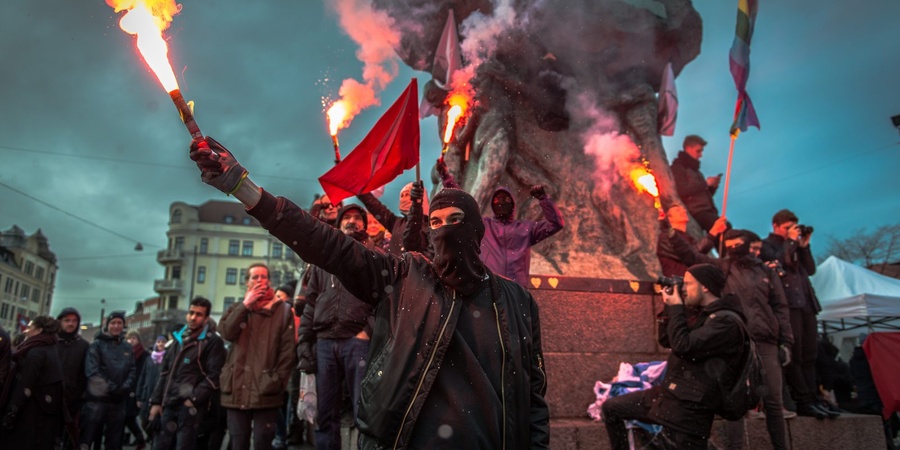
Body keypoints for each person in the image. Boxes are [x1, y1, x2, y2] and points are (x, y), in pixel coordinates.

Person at [189, 137, 549, 449]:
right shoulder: (407, 276)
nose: (443, 232)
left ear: (474, 229)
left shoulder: (518, 302)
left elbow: (533, 399)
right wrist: (243, 187)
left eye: (454, 221)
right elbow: (326, 245)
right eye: (435, 223)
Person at [669, 229, 794, 449]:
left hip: (766, 342)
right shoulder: (723, 267)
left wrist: (786, 342)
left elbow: (780, 307)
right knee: (735, 400)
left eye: (738, 243)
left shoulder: (766, 271)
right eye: (729, 244)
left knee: (773, 401)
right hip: (736, 342)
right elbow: (693, 258)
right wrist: (671, 234)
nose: (734, 247)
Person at [602, 264, 745, 450]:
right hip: (670, 396)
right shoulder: (703, 314)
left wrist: (677, 306)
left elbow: (683, 346)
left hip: (691, 410)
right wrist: (670, 307)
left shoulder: (726, 322)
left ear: (705, 286)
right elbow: (667, 340)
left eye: (687, 284)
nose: (683, 288)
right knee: (612, 408)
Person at [297, 204, 375, 450]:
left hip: (357, 341)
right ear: (338, 223)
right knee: (325, 413)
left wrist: (368, 331)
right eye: (347, 217)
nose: (351, 221)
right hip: (325, 342)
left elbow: (384, 299)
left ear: (364, 224)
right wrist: (305, 343)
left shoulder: (372, 256)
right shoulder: (323, 258)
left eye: (356, 218)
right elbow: (311, 303)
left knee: (364, 411)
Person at [437, 160, 565, 285]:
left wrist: (544, 199)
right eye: (498, 200)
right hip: (489, 288)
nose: (502, 202)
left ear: (512, 204)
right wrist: (446, 177)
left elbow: (555, 224)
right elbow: (462, 203)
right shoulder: (484, 226)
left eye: (505, 199)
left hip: (516, 291)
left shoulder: (526, 228)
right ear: (493, 204)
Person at [759, 209, 832, 418]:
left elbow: (810, 269)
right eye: (786, 228)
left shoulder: (795, 245)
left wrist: (804, 245)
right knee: (796, 355)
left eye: (793, 227)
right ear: (775, 226)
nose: (791, 231)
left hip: (806, 304)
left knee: (811, 354)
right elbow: (783, 263)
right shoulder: (767, 245)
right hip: (788, 304)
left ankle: (814, 397)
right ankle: (802, 400)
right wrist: (790, 242)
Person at [218, 262, 297, 450]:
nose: (260, 281)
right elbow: (227, 333)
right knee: (238, 442)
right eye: (255, 277)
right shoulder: (237, 308)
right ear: (247, 283)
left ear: (269, 281)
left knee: (263, 441)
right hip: (237, 386)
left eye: (263, 277)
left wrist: (276, 381)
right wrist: (246, 305)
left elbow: (287, 353)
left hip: (266, 388)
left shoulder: (283, 311)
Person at [148, 297, 226, 450]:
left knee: (185, 446)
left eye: (198, 314)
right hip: (169, 404)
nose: (193, 317)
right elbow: (165, 372)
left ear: (206, 318)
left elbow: (214, 376)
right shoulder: (179, 338)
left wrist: (193, 399)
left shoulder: (212, 342)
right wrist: (156, 401)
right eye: (191, 313)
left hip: (190, 408)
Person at [0, 316, 66, 449]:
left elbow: (25, 386)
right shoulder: (50, 348)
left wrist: (11, 413)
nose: (26, 331)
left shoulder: (36, 353)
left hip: (29, 416)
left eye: (30, 327)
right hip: (41, 415)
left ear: (39, 330)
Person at [80, 311, 136, 450]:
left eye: (119, 323)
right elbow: (93, 371)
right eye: (113, 323)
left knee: (114, 441)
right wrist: (112, 388)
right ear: (107, 325)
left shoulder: (127, 347)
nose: (116, 326)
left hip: (118, 402)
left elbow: (132, 370)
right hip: (97, 401)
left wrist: (124, 388)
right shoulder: (97, 345)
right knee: (89, 438)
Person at [357, 181, 431, 256]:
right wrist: (357, 186)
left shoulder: (431, 226)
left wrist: (416, 207)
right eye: (402, 195)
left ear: (422, 197)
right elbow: (373, 204)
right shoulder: (396, 223)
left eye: (408, 194)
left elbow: (413, 243)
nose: (404, 198)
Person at [670, 134, 721, 232]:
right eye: (698, 151)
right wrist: (706, 184)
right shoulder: (678, 167)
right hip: (696, 213)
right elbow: (682, 191)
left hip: (707, 212)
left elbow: (700, 195)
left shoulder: (696, 171)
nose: (701, 154)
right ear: (688, 149)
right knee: (724, 228)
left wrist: (712, 187)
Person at [56, 307, 90, 448]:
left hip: (74, 401)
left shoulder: (84, 346)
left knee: (71, 439)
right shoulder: (51, 343)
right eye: (67, 320)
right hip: (51, 398)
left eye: (74, 321)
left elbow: (85, 373)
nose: (70, 324)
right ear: (60, 322)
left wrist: (80, 396)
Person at [656, 205, 721, 277]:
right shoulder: (666, 237)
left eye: (683, 209)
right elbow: (691, 254)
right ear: (669, 218)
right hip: (681, 284)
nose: (684, 211)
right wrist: (713, 232)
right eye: (678, 210)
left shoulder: (687, 237)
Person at [136, 335, 166, 440]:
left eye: (163, 342)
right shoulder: (149, 359)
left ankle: (154, 440)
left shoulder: (167, 359)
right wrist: (138, 396)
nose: (161, 344)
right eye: (158, 341)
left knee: (156, 422)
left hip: (159, 397)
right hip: (146, 394)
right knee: (144, 420)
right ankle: (150, 437)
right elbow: (142, 377)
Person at [123, 330, 149, 449]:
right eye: (129, 338)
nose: (131, 341)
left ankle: (140, 439)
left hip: (137, 388)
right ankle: (136, 439)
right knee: (126, 417)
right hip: (125, 388)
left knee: (130, 416)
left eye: (133, 338)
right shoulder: (124, 353)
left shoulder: (144, 355)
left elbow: (145, 374)